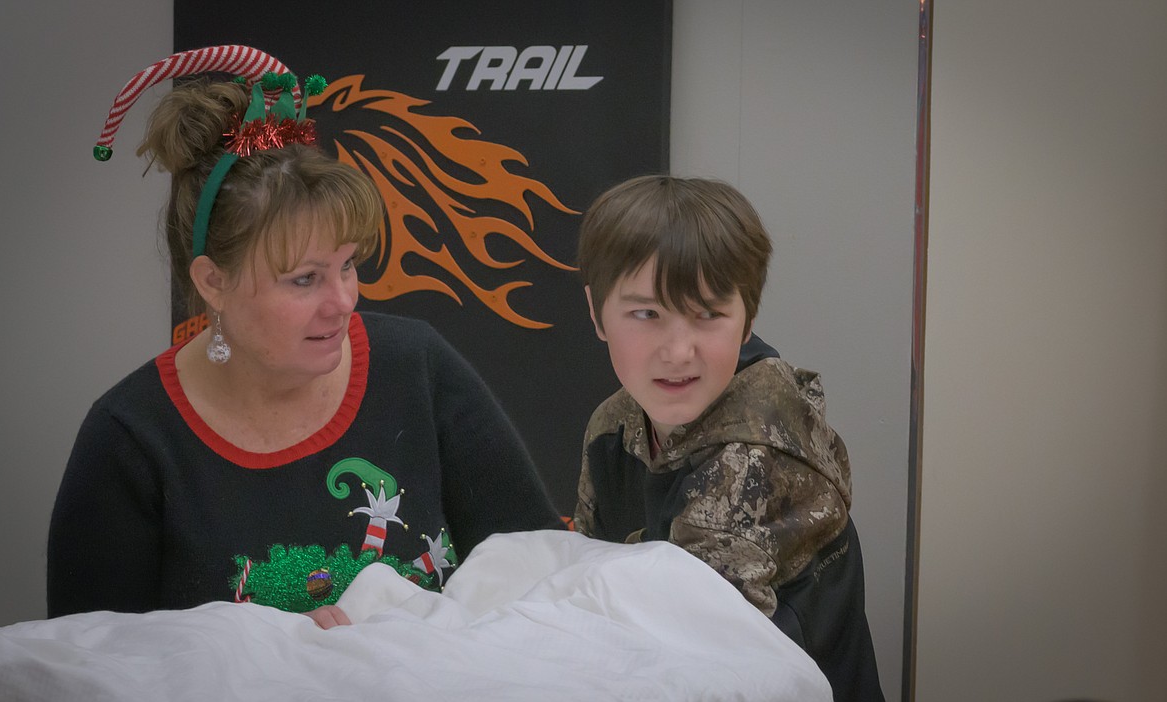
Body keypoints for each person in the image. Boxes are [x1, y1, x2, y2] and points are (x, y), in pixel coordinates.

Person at [49, 47, 562, 628]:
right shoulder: (130, 439)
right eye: (305, 279)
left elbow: (542, 579)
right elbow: (84, 669)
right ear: (213, 282)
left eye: (347, 266)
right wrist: (282, 658)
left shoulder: (416, 366)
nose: (343, 301)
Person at [572, 175, 884, 701]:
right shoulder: (613, 425)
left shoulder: (756, 453)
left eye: (708, 314)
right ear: (595, 312)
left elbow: (691, 662)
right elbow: (586, 584)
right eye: (646, 313)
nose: (678, 351)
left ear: (747, 319)